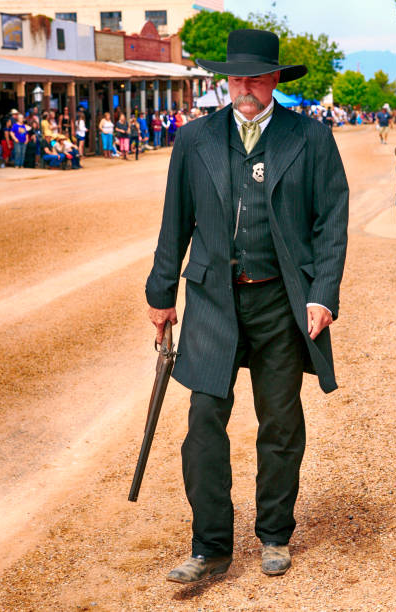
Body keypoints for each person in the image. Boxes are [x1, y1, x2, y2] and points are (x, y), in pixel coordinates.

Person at [145, 29, 349, 583]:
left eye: (257, 78)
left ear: (276, 80)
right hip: (213, 299)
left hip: (281, 301)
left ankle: (275, 534)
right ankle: (210, 545)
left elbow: (332, 220)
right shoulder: (194, 140)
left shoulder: (310, 139)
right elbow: (174, 224)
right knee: (204, 422)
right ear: (225, 81)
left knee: (280, 423)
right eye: (237, 78)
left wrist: (322, 294)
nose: (246, 88)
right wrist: (161, 294)